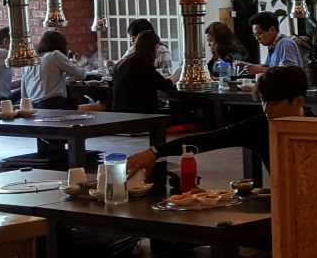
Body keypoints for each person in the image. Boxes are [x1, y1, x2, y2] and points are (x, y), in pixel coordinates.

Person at [126, 65, 307, 180]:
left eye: (274, 103)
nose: (267, 109)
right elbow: (208, 140)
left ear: (298, 102)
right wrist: (155, 151)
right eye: (263, 101)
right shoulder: (260, 126)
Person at [109, 29, 179, 114]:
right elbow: (165, 86)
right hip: (140, 115)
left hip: (118, 113)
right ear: (153, 47)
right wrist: (179, 73)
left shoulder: (121, 63)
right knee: (177, 114)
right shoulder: (143, 65)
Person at [22, 29, 88, 109]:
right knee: (99, 105)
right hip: (53, 105)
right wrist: (80, 67)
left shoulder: (30, 59)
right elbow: (80, 76)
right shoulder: (55, 55)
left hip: (33, 106)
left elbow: (23, 91)